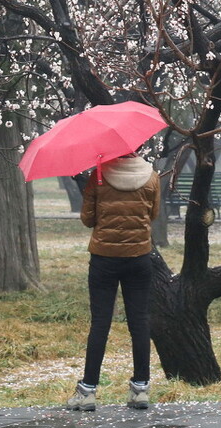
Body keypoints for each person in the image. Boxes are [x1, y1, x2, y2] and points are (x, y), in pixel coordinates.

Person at [66, 153, 162, 411]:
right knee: (139, 322)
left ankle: (87, 391)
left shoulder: (98, 177)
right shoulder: (151, 177)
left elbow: (88, 219)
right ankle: (140, 389)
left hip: (104, 260)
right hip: (139, 258)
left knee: (100, 324)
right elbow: (153, 214)